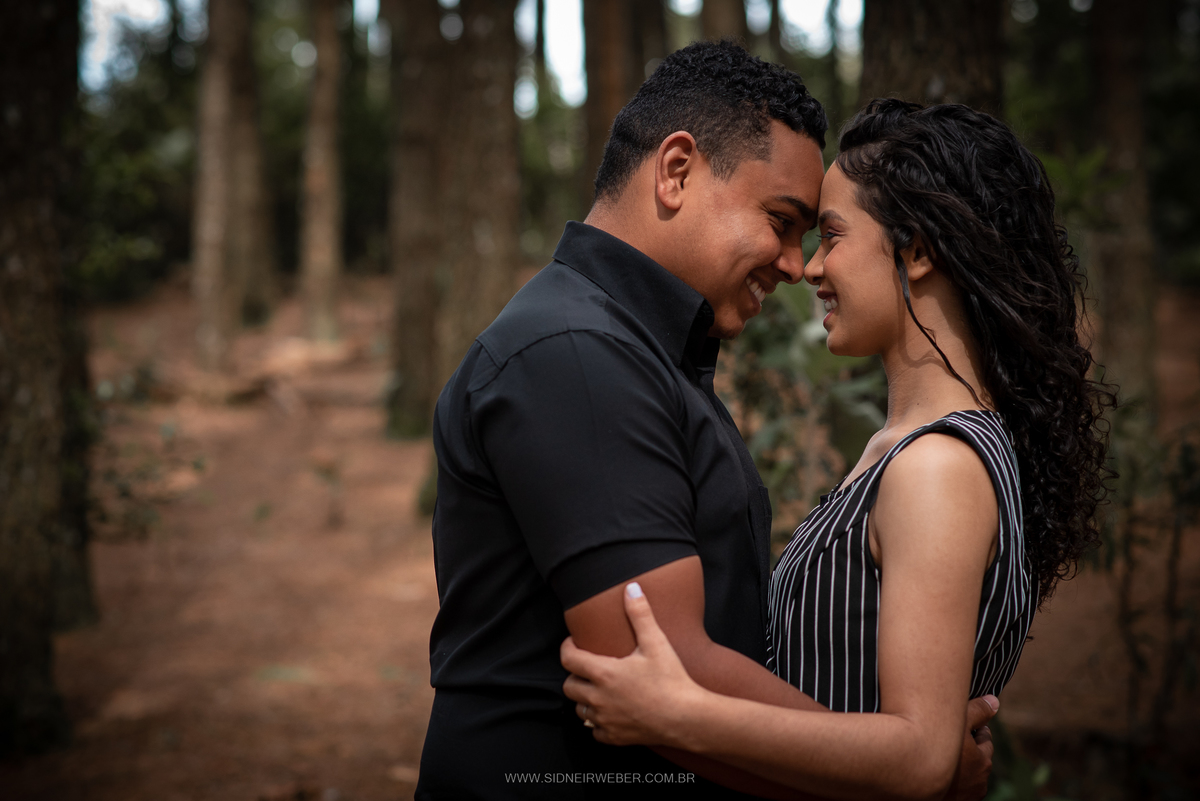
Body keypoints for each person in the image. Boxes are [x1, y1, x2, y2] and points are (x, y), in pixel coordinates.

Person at [417, 43, 996, 800]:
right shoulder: (576, 353)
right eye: (781, 221)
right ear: (676, 170)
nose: (795, 264)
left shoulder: (638, 350)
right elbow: (664, 667)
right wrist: (903, 769)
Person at [560, 99, 1115, 800]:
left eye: (832, 235)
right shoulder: (911, 450)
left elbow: (920, 755)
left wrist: (680, 716)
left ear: (918, 252)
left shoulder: (937, 466)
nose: (811, 268)